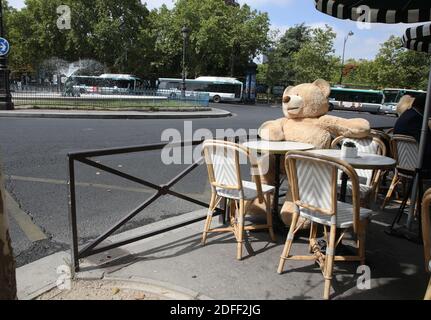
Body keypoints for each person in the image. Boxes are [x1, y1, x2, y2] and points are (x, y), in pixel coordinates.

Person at [394, 93, 431, 170]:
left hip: (402, 163)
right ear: (427, 107)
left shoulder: (408, 114)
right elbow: (427, 146)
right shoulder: (417, 120)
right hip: (419, 165)